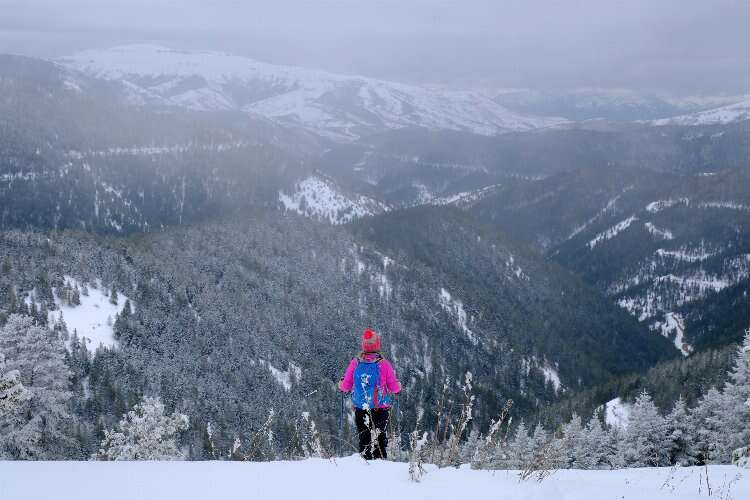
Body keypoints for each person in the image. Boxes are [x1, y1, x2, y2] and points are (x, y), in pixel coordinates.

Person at [339, 329, 401, 459]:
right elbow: (394, 388)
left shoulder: (355, 363)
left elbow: (345, 387)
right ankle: (381, 463)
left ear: (364, 345)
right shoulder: (384, 364)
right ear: (377, 345)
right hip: (381, 408)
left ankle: (365, 465)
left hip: (361, 408)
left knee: (364, 439)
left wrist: (341, 384)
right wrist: (399, 387)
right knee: (380, 439)